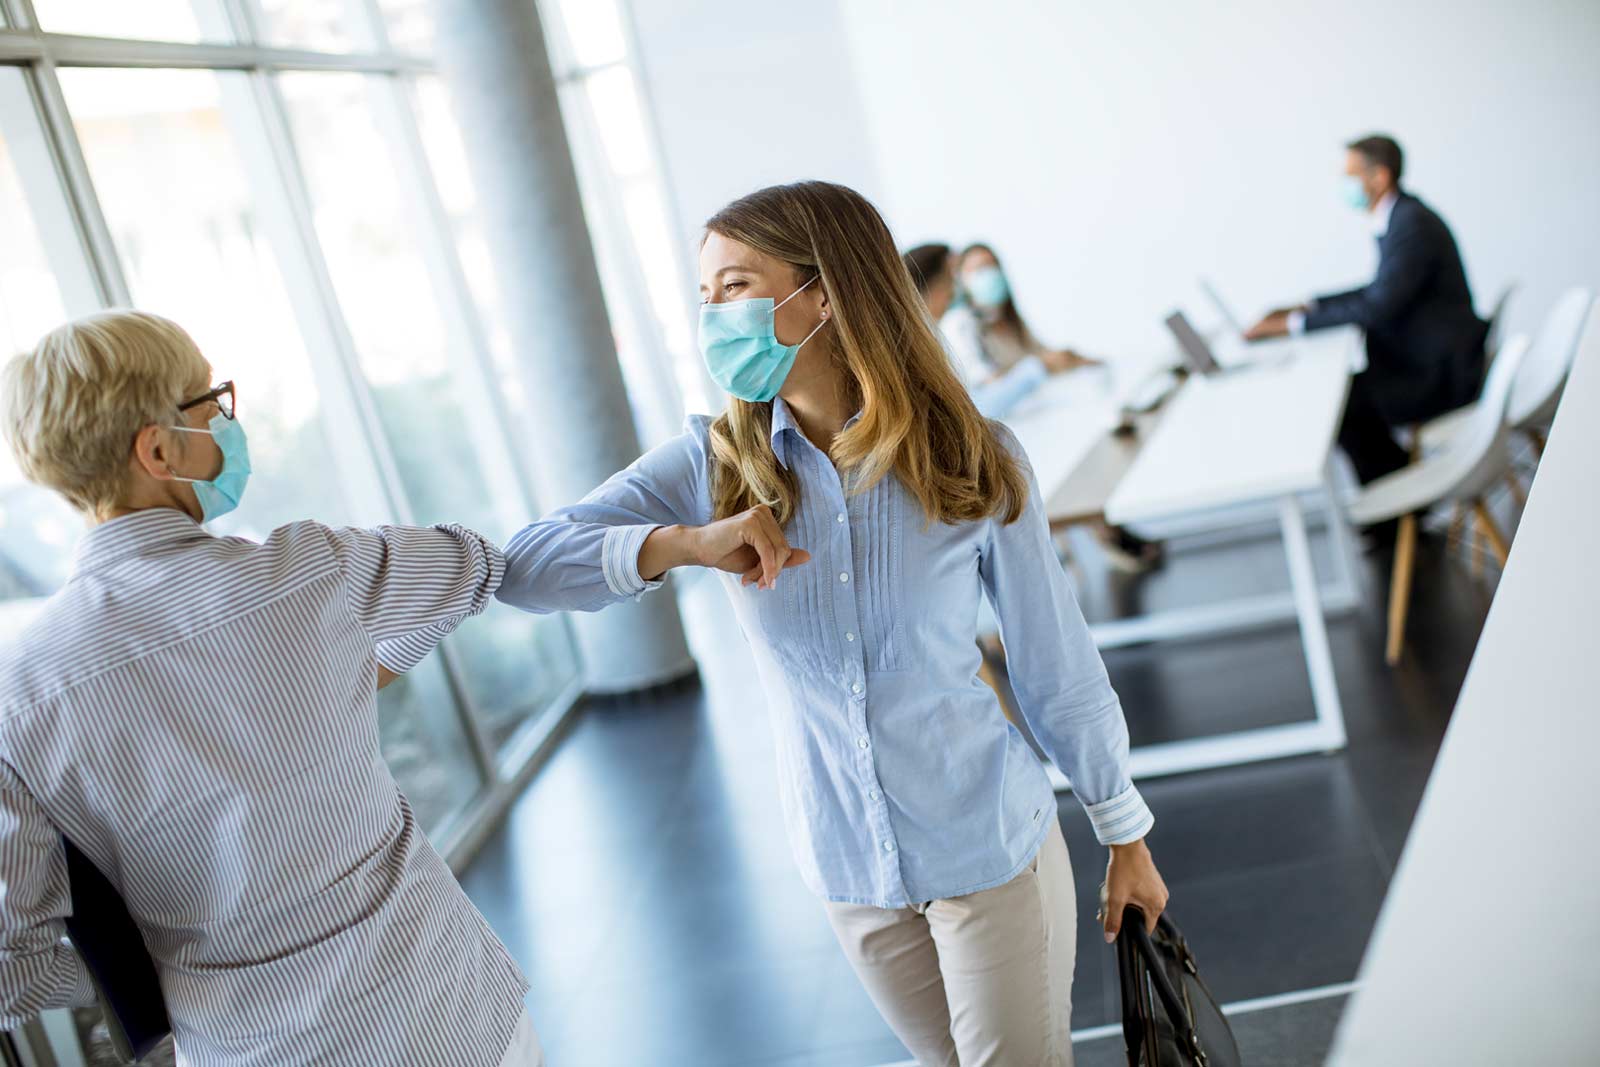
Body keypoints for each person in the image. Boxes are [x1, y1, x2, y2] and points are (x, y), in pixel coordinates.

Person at [497, 181, 1168, 1065]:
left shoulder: (971, 455)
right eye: (706, 295)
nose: (713, 316)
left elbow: (1055, 662)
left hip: (988, 845)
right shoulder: (713, 465)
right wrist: (683, 543)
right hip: (850, 866)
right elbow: (523, 566)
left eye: (735, 286)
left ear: (824, 293)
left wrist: (1124, 832)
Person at [0, 311, 540, 1067]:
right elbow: (472, 568)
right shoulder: (305, 570)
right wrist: (365, 667)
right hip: (444, 1015)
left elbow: (10, 968)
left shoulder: (19, 697)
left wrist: (135, 973)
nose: (226, 421)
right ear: (157, 448)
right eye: (208, 404)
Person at [1246, 134, 1488, 489]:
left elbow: (1378, 307)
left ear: (1380, 177)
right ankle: (1400, 503)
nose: (1344, 184)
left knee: (1344, 405)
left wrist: (1295, 324)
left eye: (1351, 174)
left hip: (1443, 373)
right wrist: (1308, 306)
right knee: (1351, 396)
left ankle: (1402, 509)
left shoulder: (1411, 225)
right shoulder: (1402, 217)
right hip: (1432, 358)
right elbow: (1380, 289)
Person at [903, 242, 1049, 419]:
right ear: (932, 284)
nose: (958, 285)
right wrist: (1036, 369)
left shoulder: (938, 334)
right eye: (952, 276)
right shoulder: (949, 331)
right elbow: (981, 405)